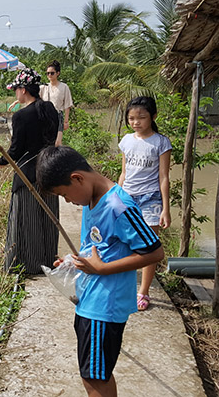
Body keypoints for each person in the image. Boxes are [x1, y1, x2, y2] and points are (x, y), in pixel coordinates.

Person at [36, 146, 163, 397]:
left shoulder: (119, 206)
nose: (69, 201)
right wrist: (76, 261)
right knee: (96, 373)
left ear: (77, 178)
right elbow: (96, 247)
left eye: (65, 195)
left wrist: (102, 269)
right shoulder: (90, 200)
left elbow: (154, 252)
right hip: (89, 301)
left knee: (94, 378)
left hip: (104, 307)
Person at [0, 68, 60, 274]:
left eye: (16, 89)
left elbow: (15, 150)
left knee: (29, 221)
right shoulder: (50, 109)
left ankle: (32, 265)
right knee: (48, 218)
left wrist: (2, 161)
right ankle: (48, 259)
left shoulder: (21, 116)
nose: (15, 93)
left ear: (23, 90)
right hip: (50, 171)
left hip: (28, 174)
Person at [117, 96, 171, 312]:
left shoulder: (160, 142)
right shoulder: (127, 141)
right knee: (124, 243)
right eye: (131, 118)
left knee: (150, 246)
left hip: (151, 199)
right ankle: (124, 287)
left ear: (153, 117)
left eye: (141, 117)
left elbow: (164, 177)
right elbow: (124, 172)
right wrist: (116, 198)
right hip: (127, 196)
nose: (136, 122)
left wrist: (166, 209)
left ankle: (144, 291)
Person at [40, 60, 74, 147]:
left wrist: (66, 121)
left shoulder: (64, 87)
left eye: (52, 73)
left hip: (58, 116)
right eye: (47, 73)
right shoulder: (43, 87)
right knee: (45, 142)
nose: (49, 75)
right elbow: (32, 97)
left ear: (57, 73)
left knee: (57, 142)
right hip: (45, 117)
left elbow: (67, 105)